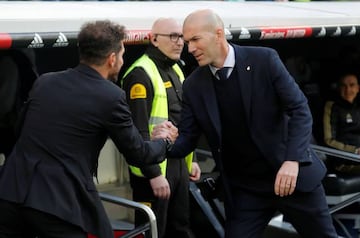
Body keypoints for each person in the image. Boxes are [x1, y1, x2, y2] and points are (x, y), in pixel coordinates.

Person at [152, 9, 338, 238]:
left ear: (218, 34)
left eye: (195, 40)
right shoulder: (193, 85)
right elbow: (186, 142)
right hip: (246, 190)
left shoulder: (264, 60)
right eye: (187, 41)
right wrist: (166, 141)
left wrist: (293, 160)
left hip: (291, 179)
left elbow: (300, 109)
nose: (190, 49)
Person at [0, 20, 174, 238]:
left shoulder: (45, 82)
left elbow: (19, 130)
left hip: (10, 193)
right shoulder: (111, 96)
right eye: (121, 55)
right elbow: (138, 154)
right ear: (112, 59)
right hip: (57, 205)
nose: (122, 61)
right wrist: (164, 141)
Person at [121, 17, 201, 238]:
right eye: (173, 36)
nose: (179, 43)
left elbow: (183, 119)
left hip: (177, 164)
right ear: (154, 39)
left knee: (180, 227)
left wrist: (192, 160)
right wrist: (154, 174)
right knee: (155, 232)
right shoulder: (140, 74)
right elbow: (136, 132)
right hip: (153, 170)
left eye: (181, 37)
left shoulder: (176, 69)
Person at [323, 72, 360, 174]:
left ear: (358, 88)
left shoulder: (357, 107)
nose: (348, 90)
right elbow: (328, 140)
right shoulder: (332, 107)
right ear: (339, 88)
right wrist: (355, 151)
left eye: (352, 85)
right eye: (343, 86)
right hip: (344, 160)